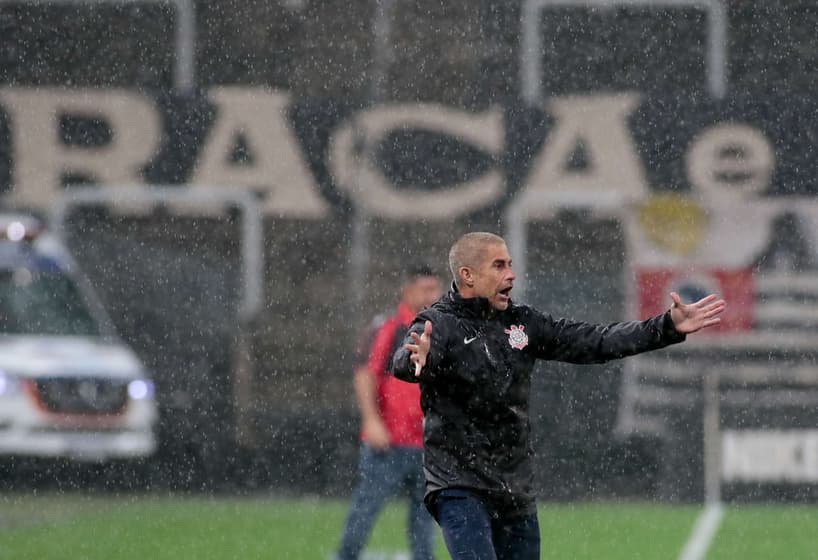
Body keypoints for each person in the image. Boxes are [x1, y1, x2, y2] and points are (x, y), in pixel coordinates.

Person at [391, 232, 726, 560]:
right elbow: (406, 359)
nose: (511, 273)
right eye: (498, 265)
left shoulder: (522, 322)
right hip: (459, 485)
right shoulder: (438, 323)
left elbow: (595, 340)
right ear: (467, 275)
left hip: (513, 486)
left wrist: (665, 326)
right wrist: (414, 360)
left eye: (509, 264)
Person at [336, 265, 443, 560]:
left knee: (424, 521)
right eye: (426, 289)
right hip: (389, 442)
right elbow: (365, 374)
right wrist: (372, 420)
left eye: (436, 289)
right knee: (365, 510)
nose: (432, 296)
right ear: (407, 291)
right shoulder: (391, 327)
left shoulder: (441, 331)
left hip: (426, 445)